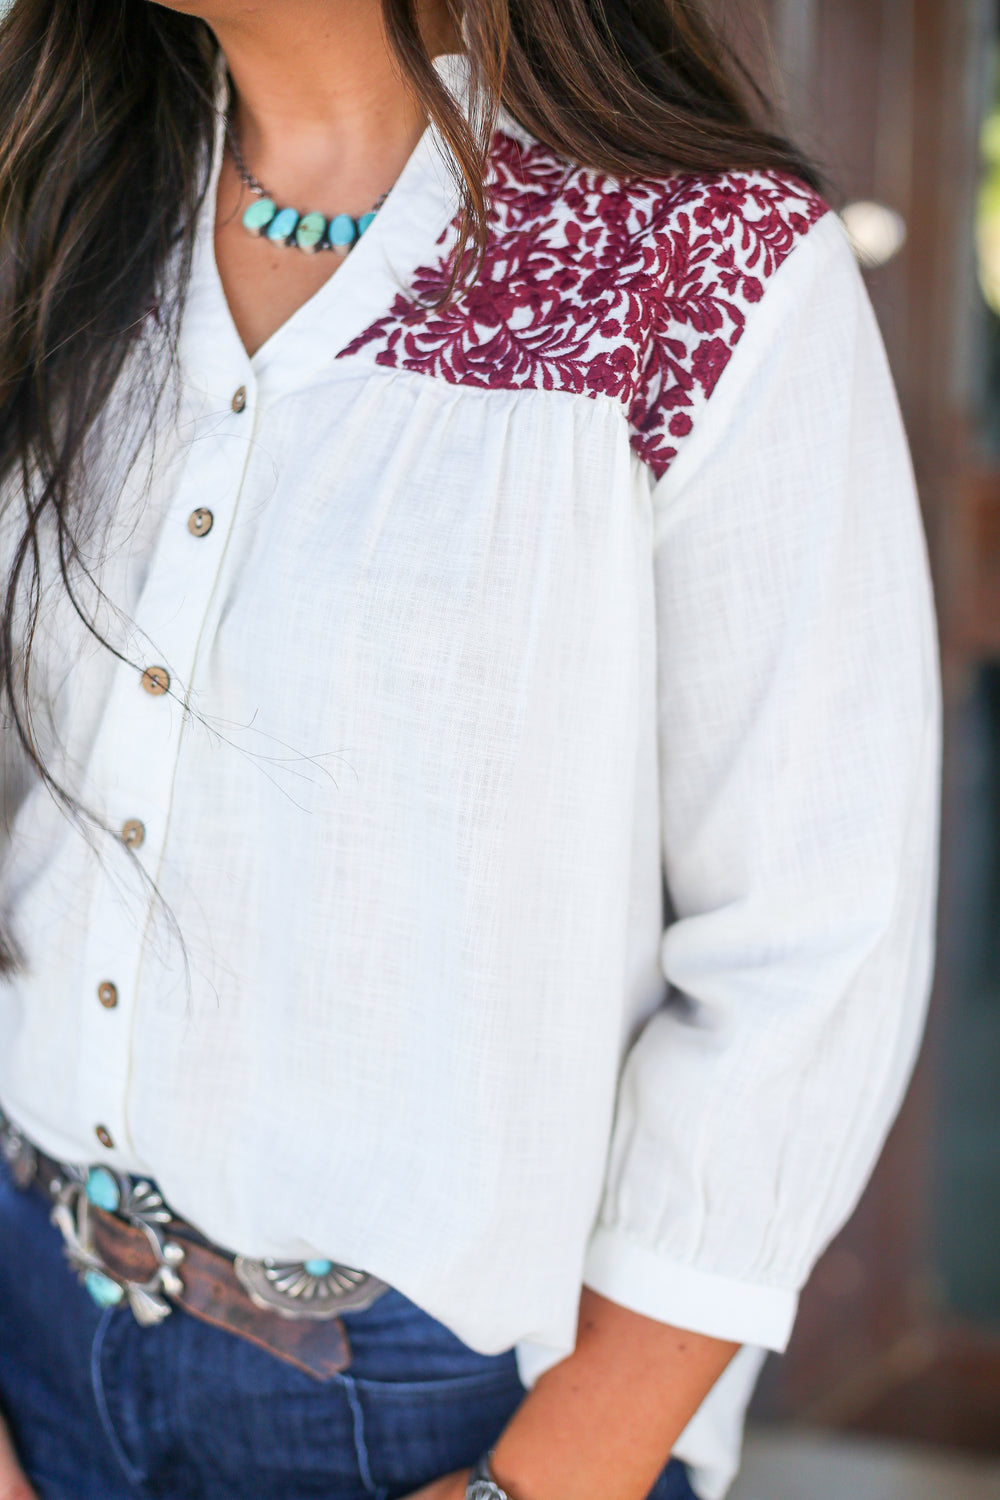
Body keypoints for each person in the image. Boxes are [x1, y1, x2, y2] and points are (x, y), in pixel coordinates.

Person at [0, 0, 941, 1496]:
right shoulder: (50, 191)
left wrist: (552, 1478)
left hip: (436, 1416)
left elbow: (814, 940)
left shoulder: (693, 268)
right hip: (25, 1334)